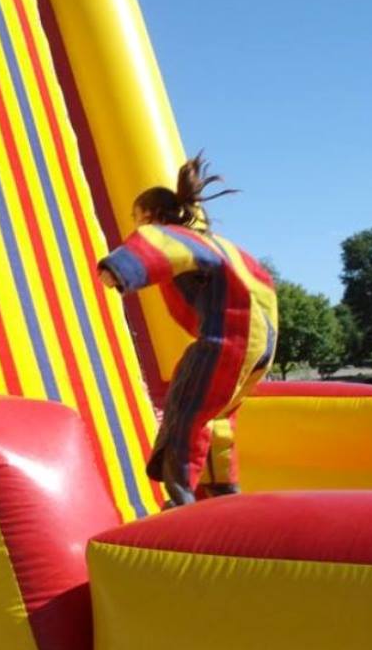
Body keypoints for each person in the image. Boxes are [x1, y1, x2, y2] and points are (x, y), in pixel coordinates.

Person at [98, 155, 277, 509]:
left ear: (150, 216)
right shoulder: (221, 245)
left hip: (231, 336)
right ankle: (222, 491)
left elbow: (157, 244)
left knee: (187, 408)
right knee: (217, 416)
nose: (135, 225)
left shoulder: (177, 235)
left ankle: (182, 500)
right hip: (262, 346)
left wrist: (120, 269)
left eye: (136, 218)